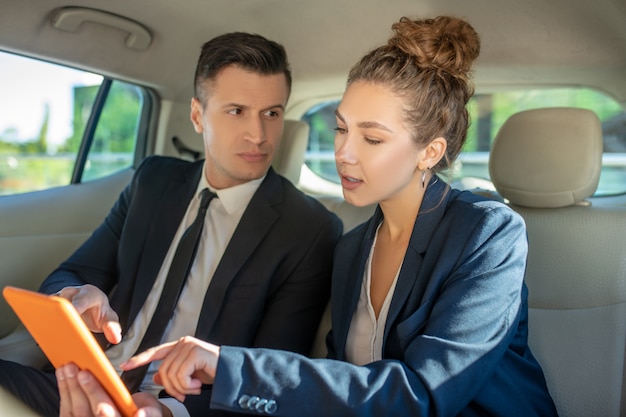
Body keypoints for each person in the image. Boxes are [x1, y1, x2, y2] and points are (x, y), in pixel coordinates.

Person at [57, 15, 559, 417]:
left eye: (373, 138)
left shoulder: (488, 232)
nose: (344, 153)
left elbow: (425, 395)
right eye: (341, 129)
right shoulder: (352, 249)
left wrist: (229, 367)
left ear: (430, 151)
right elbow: (341, 387)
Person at [0, 31, 343, 417]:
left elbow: (272, 374)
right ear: (197, 115)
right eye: (237, 111)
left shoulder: (310, 229)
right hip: (87, 380)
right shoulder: (153, 181)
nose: (258, 135)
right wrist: (76, 296)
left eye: (272, 113)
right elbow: (71, 272)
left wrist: (169, 412)